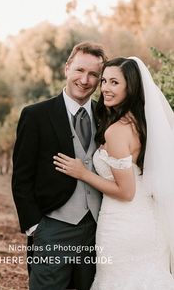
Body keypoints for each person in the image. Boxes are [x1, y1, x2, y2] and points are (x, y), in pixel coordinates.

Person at [54, 56, 174, 289]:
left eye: (115, 83)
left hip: (123, 225)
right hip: (146, 220)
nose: (105, 88)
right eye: (105, 81)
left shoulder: (117, 131)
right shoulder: (140, 123)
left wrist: (83, 173)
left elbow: (126, 191)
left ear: (130, 86)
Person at [11, 41, 107, 290]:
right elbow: (21, 177)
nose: (85, 80)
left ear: (99, 79)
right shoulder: (35, 115)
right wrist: (36, 227)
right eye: (79, 70)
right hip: (53, 227)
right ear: (67, 68)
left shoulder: (106, 118)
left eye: (93, 74)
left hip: (99, 230)